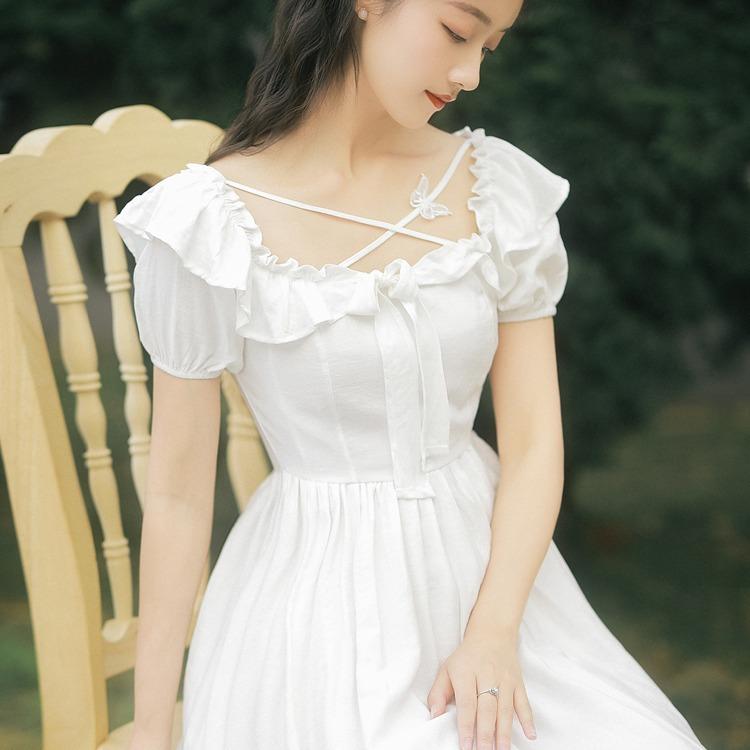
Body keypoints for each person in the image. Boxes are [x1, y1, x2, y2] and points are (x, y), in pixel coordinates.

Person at [114, 1, 708, 749]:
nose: (471, 73)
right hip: (317, 608)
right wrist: (149, 730)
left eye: (491, 46)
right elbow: (176, 497)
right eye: (458, 32)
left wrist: (493, 633)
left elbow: (533, 444)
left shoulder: (493, 188)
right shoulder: (208, 223)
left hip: (493, 578)